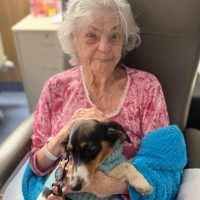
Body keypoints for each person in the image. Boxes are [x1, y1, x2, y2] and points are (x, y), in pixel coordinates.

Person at [30, 0, 169, 199]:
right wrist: (64, 133)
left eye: (114, 37)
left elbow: (161, 167)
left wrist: (110, 185)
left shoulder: (147, 88)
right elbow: (37, 165)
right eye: (91, 36)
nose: (104, 48)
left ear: (124, 41)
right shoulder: (56, 88)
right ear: (74, 41)